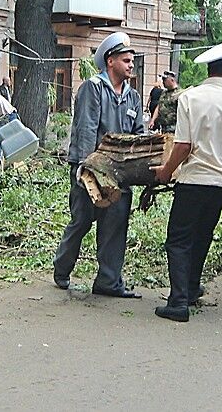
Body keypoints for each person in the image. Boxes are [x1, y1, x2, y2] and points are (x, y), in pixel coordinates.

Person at [152, 40, 222, 322]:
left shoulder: (191, 98)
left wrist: (166, 171)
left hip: (196, 179)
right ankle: (192, 288)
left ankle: (178, 302)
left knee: (179, 239)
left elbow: (182, 146)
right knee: (202, 235)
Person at [52, 32, 145, 299]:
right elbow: (86, 129)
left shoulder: (133, 97)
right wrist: (85, 169)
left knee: (115, 227)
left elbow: (138, 136)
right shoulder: (92, 88)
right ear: (110, 61)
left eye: (132, 60)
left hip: (119, 174)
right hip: (90, 170)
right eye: (126, 60)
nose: (131, 65)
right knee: (81, 221)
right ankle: (62, 269)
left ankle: (108, 281)